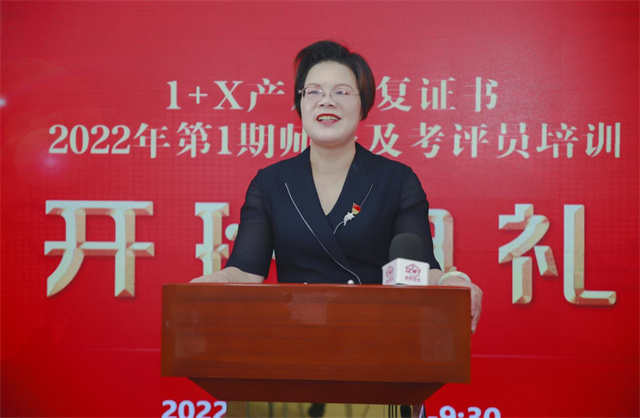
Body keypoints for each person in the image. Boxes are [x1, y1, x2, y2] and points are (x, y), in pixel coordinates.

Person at [191, 40, 482, 332]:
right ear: (300, 103)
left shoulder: (396, 180)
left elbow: (415, 271)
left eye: (341, 92)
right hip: (296, 335)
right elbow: (246, 270)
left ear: (363, 105)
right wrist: (216, 281)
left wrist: (452, 281)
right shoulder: (271, 183)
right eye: (313, 91)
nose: (326, 100)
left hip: (375, 335)